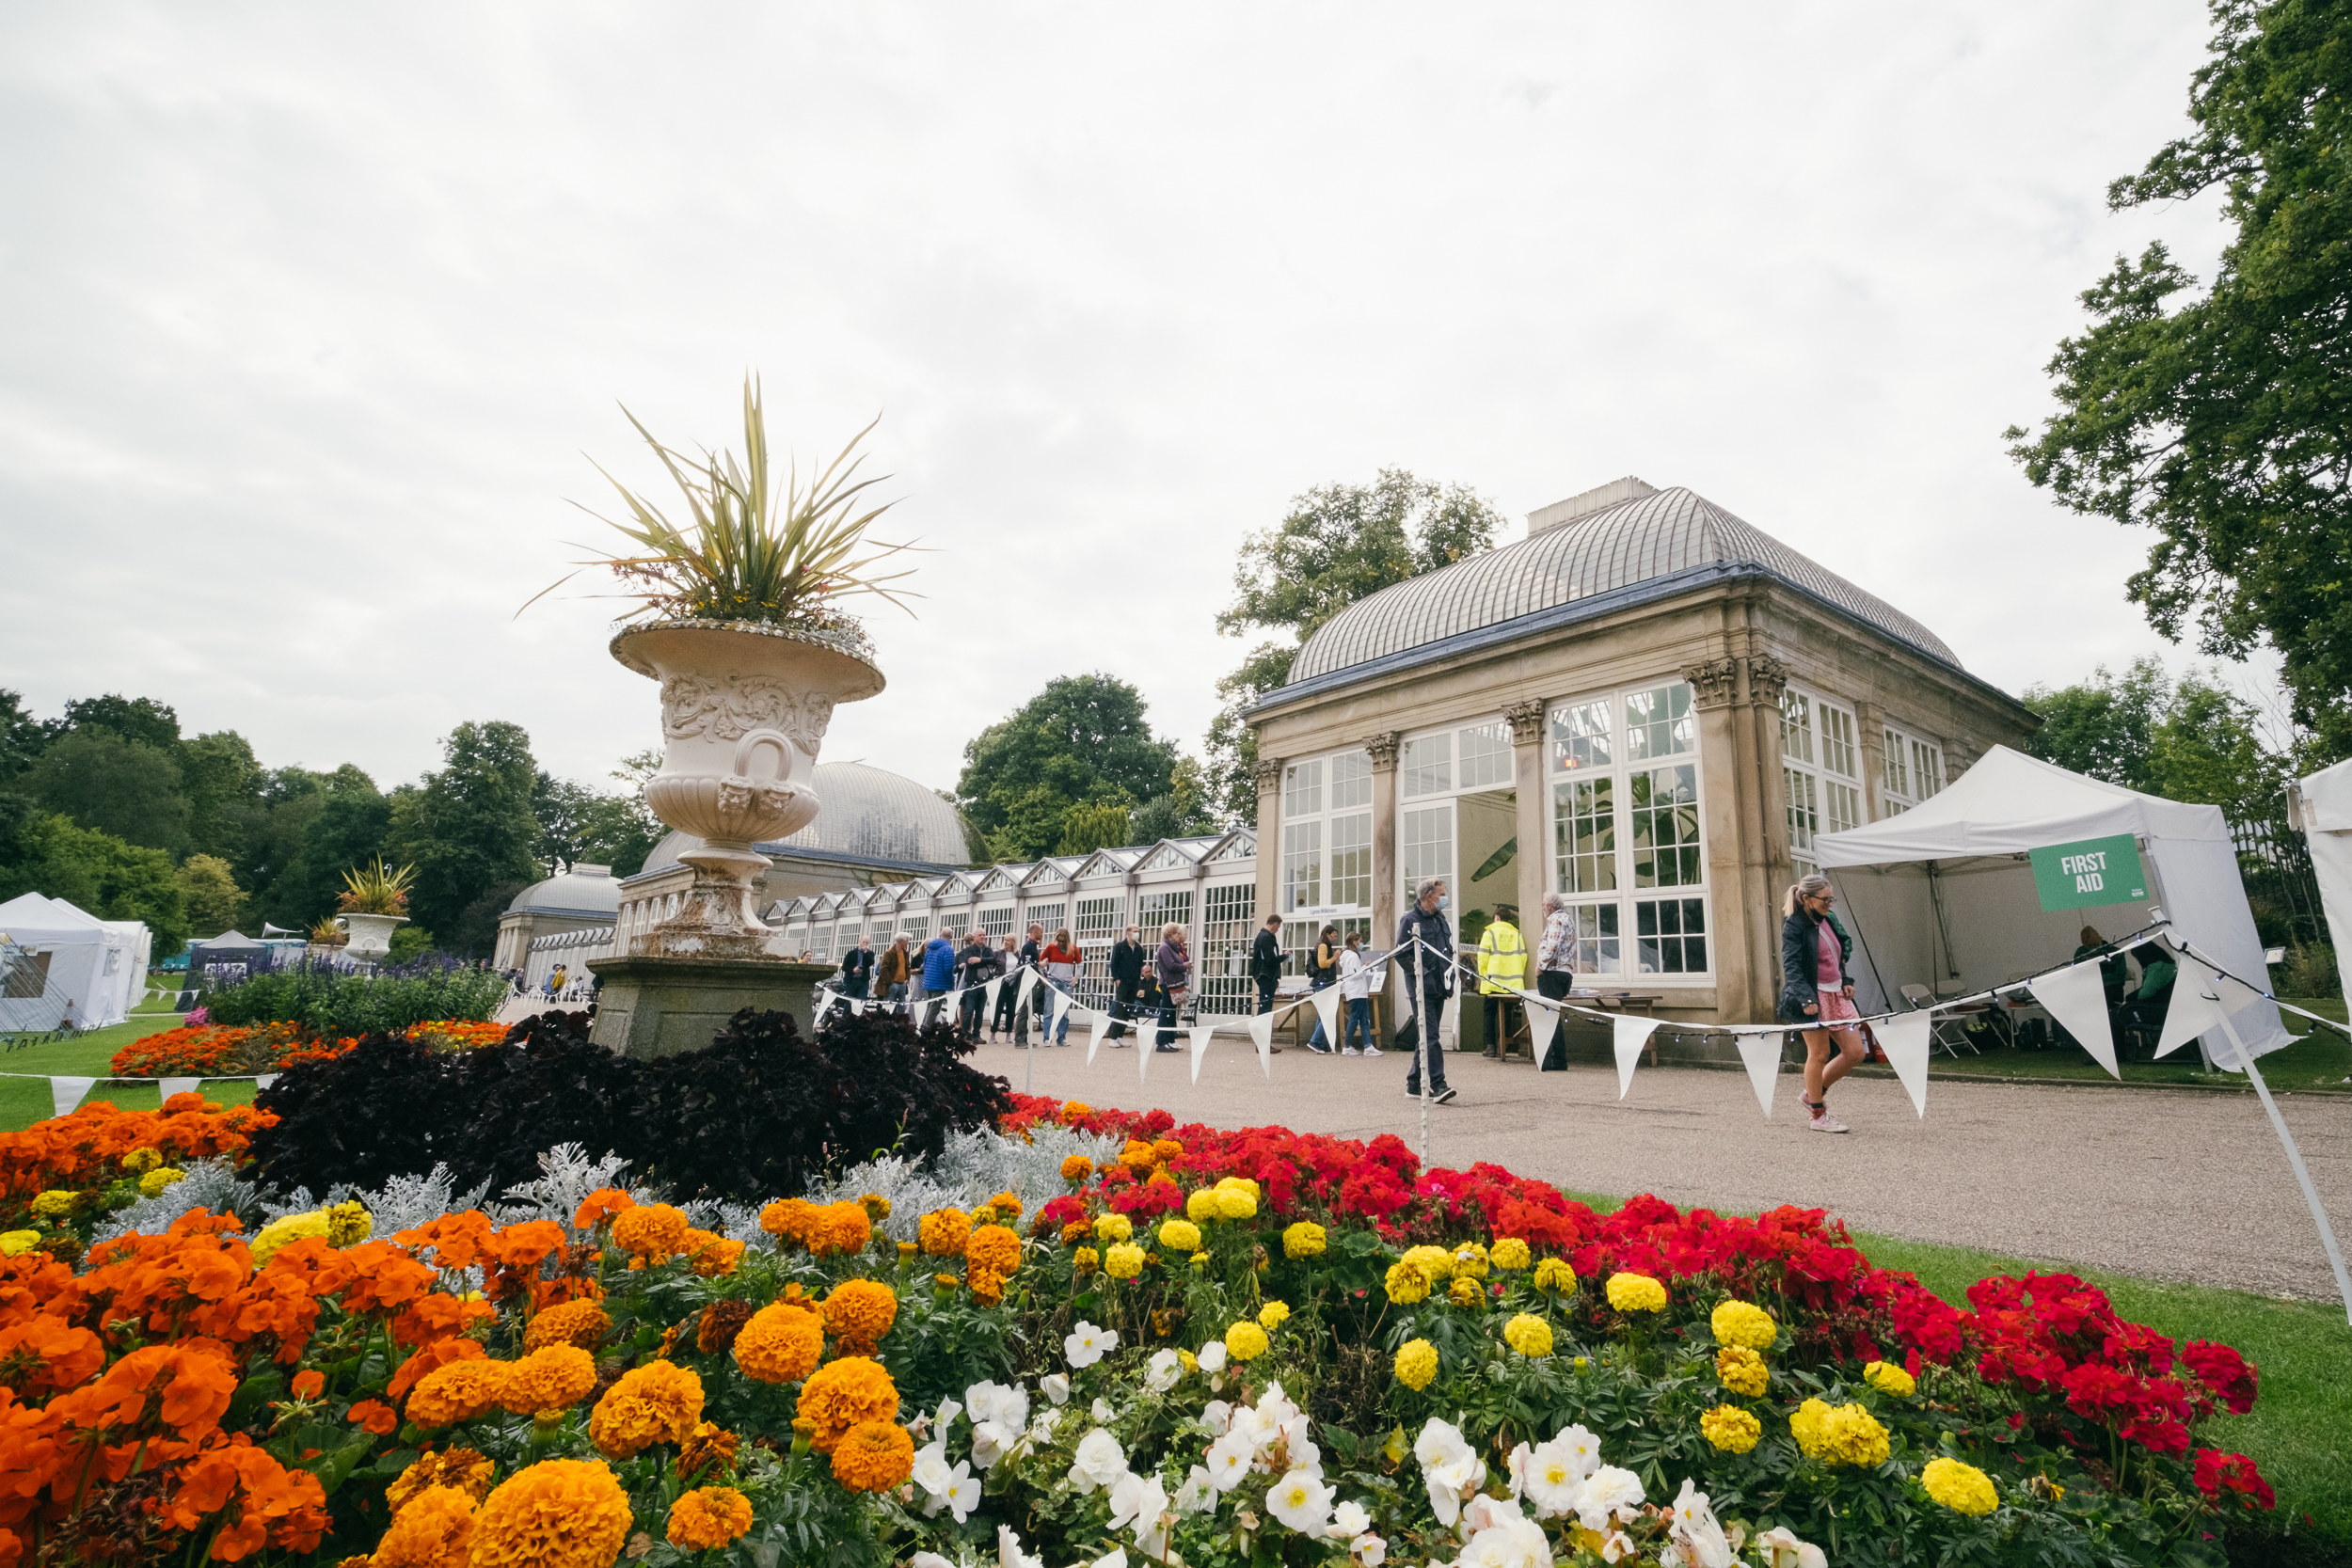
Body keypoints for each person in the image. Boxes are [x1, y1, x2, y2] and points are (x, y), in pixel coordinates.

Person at [1777, 874, 1864, 1133]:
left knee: (1855, 1053)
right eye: (1824, 899)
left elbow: (1838, 956)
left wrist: (1845, 979)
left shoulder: (1828, 920)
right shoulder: (1794, 926)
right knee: (1820, 1054)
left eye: (1831, 898)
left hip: (1836, 993)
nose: (1829, 903)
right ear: (1806, 898)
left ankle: (1812, 1094)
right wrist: (1806, 998)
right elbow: (1792, 967)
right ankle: (1817, 1114)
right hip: (1811, 997)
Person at [1397, 878, 1456, 1103]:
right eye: (1441, 894)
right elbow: (1401, 953)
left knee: (1426, 1036)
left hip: (1440, 986)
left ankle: (1414, 1084)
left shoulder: (1440, 919)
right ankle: (1438, 1084)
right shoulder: (1410, 920)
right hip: (1421, 988)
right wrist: (1421, 971)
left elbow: (1446, 951)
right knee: (1431, 1035)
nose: (1445, 898)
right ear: (1429, 896)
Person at [1477, 903, 1529, 1059]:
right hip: (1512, 984)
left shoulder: (1490, 933)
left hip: (1494, 982)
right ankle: (1503, 1046)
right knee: (1506, 1014)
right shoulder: (1517, 935)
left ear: (1497, 918)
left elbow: (1482, 957)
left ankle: (1490, 1046)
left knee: (1489, 1014)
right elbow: (1523, 957)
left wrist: (1483, 976)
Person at [1338, 930, 1380, 1056]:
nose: (1361, 943)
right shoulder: (1353, 956)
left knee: (1362, 1018)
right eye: (1360, 941)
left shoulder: (1346, 956)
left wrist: (1362, 967)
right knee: (1357, 1018)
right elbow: (1355, 974)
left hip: (1354, 990)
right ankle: (1349, 1046)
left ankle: (1367, 1045)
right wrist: (1365, 966)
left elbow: (1352, 972)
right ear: (1354, 941)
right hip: (1357, 991)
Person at [1040, 927, 1082, 1046]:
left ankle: (1061, 1038)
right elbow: (1039, 962)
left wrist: (1076, 977)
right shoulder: (1051, 947)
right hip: (1053, 981)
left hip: (1066, 983)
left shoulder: (1073, 948)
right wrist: (1042, 976)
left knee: (1064, 1012)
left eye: (1063, 941)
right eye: (1059, 940)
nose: (1061, 943)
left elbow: (1080, 964)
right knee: (1049, 1011)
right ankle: (1047, 1038)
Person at [1152, 921, 1191, 1053]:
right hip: (1168, 984)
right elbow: (1170, 966)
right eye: (1175, 933)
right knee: (1166, 1013)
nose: (1178, 935)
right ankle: (1161, 1042)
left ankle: (1169, 1040)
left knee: (1171, 1013)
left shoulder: (1172, 948)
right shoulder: (1164, 948)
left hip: (1174, 983)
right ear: (1170, 934)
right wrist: (1185, 966)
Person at [1302, 924, 1341, 1053]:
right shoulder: (1323, 946)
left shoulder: (1324, 945)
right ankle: (1315, 1041)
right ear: (1327, 934)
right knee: (1327, 1014)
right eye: (1333, 936)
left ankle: (1321, 1043)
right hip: (1322, 983)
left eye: (1335, 936)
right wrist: (1335, 957)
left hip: (1324, 983)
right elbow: (1322, 963)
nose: (1334, 939)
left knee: (1322, 1014)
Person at [1106, 924, 1147, 1046]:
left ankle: (1120, 1036)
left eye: (1138, 931)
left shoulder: (1139, 948)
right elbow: (1114, 964)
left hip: (1133, 983)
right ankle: (1113, 1038)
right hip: (1122, 982)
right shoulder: (1120, 946)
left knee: (1127, 1010)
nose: (1137, 933)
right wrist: (1117, 979)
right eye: (1135, 931)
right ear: (1128, 933)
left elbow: (1140, 965)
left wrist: (1138, 982)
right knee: (1120, 1009)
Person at [2075, 925, 2130, 1008]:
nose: (2093, 950)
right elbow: (2078, 974)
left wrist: (2097, 979)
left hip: (2112, 991)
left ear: (2100, 940)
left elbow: (2121, 975)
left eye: (2095, 946)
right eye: (2090, 947)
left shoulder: (2115, 952)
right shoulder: (2081, 953)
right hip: (2092, 992)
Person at [957, 928, 996, 1042]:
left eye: (984, 935)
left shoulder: (988, 949)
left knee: (980, 1011)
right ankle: (965, 1035)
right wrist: (984, 962)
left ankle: (976, 1035)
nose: (983, 937)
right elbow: (969, 963)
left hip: (984, 984)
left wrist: (980, 960)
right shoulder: (969, 950)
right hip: (972, 984)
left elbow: (993, 960)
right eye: (980, 935)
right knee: (969, 1010)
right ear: (974, 937)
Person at [1014, 924, 1046, 1046]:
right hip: (1026, 982)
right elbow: (1027, 965)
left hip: (1031, 981)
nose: (1042, 934)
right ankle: (1020, 1039)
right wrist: (1040, 966)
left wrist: (1039, 965)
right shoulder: (1028, 947)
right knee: (1024, 1011)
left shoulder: (1032, 946)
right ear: (1034, 931)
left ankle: (1024, 1038)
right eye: (1041, 931)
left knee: (1029, 1011)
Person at [917, 927, 957, 1027]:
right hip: (940, 982)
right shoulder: (947, 949)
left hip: (929, 981)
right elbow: (948, 968)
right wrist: (950, 981)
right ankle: (925, 1029)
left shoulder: (930, 948)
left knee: (930, 1006)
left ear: (940, 935)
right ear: (951, 936)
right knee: (934, 1008)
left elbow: (925, 965)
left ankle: (923, 1026)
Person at [991, 934, 1024, 1040]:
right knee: (998, 1008)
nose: (1006, 942)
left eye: (1008, 940)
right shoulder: (998, 954)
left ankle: (1008, 1033)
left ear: (1013, 942)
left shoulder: (1018, 954)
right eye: (1005, 940)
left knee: (1011, 1009)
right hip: (1001, 983)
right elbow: (991, 967)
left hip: (1013, 984)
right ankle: (993, 1033)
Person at [1249, 914, 1284, 1016]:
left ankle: (1261, 1029)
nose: (1277, 930)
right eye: (1278, 927)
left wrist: (1275, 978)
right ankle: (1260, 1030)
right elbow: (1270, 960)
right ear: (1275, 924)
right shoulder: (1266, 937)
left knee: (1265, 1005)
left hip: (1266, 976)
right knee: (1265, 1007)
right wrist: (1284, 956)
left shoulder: (1264, 936)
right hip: (1266, 976)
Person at [877, 935, 912, 1008]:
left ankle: (900, 1020)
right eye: (907, 941)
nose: (908, 943)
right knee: (888, 1007)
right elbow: (883, 969)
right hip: (892, 984)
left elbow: (907, 967)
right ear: (900, 941)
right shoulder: (889, 953)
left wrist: (907, 978)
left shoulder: (905, 953)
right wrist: (890, 981)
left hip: (902, 984)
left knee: (902, 1008)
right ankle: (886, 1020)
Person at [839, 935, 877, 1001]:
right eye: (863, 942)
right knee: (849, 1000)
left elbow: (871, 963)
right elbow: (844, 967)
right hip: (851, 980)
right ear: (860, 941)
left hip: (863, 981)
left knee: (861, 1001)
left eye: (867, 943)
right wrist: (853, 970)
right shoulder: (851, 953)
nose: (864, 944)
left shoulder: (870, 953)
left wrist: (865, 953)